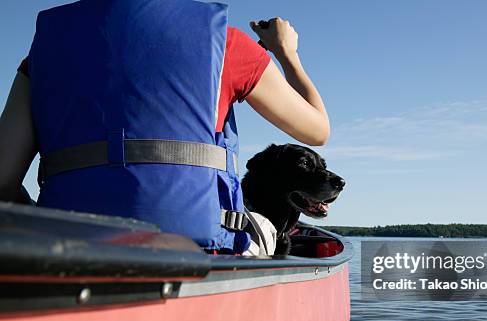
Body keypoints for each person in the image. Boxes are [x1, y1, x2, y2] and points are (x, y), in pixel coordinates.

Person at [0, 0, 329, 254]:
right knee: (266, 230)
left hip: (65, 247)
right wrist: (287, 54)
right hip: (199, 249)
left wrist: (43, 220)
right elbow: (317, 130)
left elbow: (3, 180)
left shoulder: (41, 55)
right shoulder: (226, 44)